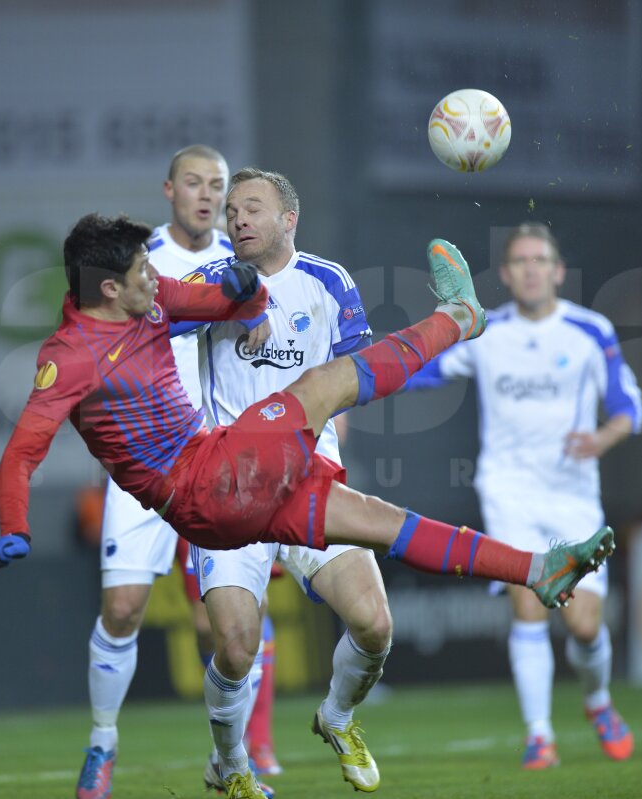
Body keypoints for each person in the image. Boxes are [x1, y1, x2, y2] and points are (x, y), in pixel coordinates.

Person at [0, 213, 617, 799]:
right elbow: (19, 455)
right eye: (141, 273)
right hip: (200, 487)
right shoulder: (66, 359)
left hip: (234, 474)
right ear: (104, 289)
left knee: (378, 522)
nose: (156, 277)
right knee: (323, 385)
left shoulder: (149, 301)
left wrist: (243, 289)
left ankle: (538, 570)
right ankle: (461, 319)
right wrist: (14, 526)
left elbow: (233, 300)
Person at [65, 144, 277, 799]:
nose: (208, 195)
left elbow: (269, 338)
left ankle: (238, 753)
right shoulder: (135, 262)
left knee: (228, 626)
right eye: (195, 183)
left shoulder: (241, 261)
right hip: (146, 461)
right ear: (169, 190)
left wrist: (255, 312)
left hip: (219, 462)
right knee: (124, 606)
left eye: (218, 185)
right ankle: (102, 743)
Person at [179, 168, 392, 794]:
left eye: (252, 207)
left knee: (375, 624)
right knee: (238, 647)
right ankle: (232, 765)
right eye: (231, 211)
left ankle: (338, 717)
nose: (237, 218)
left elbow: (358, 371)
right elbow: (161, 316)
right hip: (229, 496)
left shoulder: (328, 282)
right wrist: (233, 302)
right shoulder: (212, 281)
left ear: (288, 219)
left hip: (308, 487)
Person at [406, 222, 642, 769]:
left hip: (572, 496)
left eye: (541, 259)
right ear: (507, 275)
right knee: (529, 606)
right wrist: (357, 375)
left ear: (558, 271)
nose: (531, 269)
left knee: (585, 624)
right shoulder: (487, 334)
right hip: (507, 491)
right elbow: (422, 371)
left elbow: (628, 405)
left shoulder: (591, 330)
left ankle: (598, 701)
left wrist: (602, 437)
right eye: (520, 261)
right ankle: (539, 734)